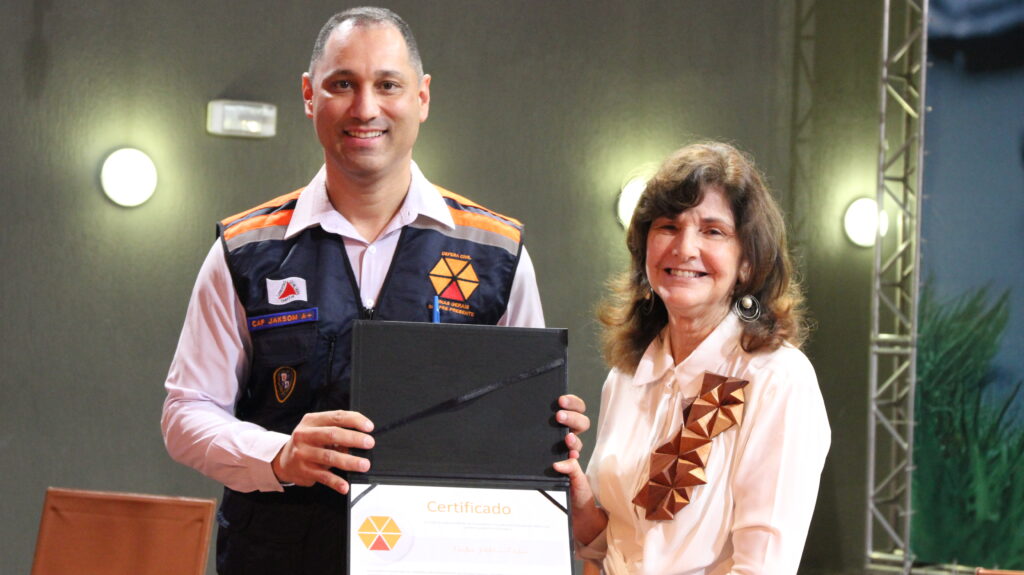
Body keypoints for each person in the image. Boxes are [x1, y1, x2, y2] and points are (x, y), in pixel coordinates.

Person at [161, 7, 588, 574]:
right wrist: (279, 455)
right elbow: (187, 411)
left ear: (422, 97)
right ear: (309, 95)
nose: (365, 108)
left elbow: (517, 424)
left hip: (437, 561)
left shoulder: (495, 252)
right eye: (343, 84)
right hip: (278, 558)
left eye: (388, 85)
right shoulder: (245, 250)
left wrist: (543, 427)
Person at [554, 142, 830, 574]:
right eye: (669, 226)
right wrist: (579, 500)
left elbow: (762, 568)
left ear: (747, 261)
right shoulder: (628, 376)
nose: (684, 248)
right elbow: (615, 547)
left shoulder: (777, 379)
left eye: (713, 231)